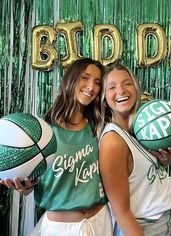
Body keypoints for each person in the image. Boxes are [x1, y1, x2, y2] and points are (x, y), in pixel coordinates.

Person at [0, 58, 113, 236]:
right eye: (85, 77)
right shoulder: (42, 133)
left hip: (101, 221)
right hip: (60, 229)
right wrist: (25, 186)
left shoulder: (99, 127)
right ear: (70, 79)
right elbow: (32, 185)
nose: (91, 87)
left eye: (97, 82)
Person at [98, 64, 171, 236]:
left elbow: (141, 176)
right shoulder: (112, 141)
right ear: (104, 98)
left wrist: (163, 161)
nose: (121, 90)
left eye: (127, 83)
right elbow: (121, 212)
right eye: (112, 87)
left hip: (168, 218)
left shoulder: (142, 129)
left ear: (136, 87)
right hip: (144, 227)